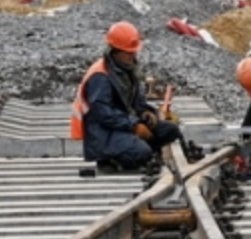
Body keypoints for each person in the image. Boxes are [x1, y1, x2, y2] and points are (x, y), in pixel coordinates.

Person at [70, 22, 181, 172]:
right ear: (116, 51)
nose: (133, 55)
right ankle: (111, 160)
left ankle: (141, 153)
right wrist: (134, 125)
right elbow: (103, 114)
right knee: (141, 152)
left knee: (170, 130)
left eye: (134, 51)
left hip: (123, 126)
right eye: (129, 52)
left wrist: (147, 113)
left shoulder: (127, 70)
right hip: (103, 134)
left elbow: (135, 103)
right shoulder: (100, 76)